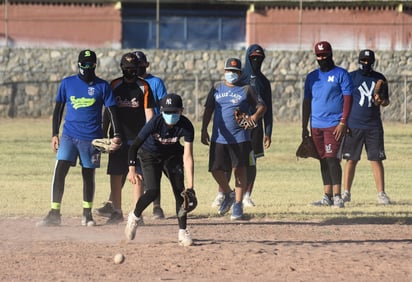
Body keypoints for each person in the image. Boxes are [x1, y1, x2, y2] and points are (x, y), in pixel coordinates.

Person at [37, 49, 121, 227]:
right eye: (83, 64)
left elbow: (113, 112)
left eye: (90, 64)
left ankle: (87, 214)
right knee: (60, 171)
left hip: (91, 139)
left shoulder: (102, 86)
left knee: (88, 174)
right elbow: (58, 110)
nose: (86, 67)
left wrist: (117, 135)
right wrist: (54, 134)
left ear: (95, 65)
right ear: (78, 64)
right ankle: (54, 213)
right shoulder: (67, 83)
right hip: (69, 136)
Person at [96, 50, 167, 220]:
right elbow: (108, 111)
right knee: (115, 173)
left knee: (138, 175)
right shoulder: (114, 85)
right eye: (127, 67)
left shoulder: (144, 86)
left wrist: (148, 136)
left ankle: (137, 213)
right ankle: (117, 211)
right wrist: (104, 133)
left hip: (138, 138)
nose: (130, 71)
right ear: (121, 67)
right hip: (117, 137)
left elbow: (149, 112)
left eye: (133, 67)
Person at [124, 93, 195, 246]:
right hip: (150, 154)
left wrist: (191, 186)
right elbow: (135, 146)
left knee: (180, 193)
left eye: (174, 112)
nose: (170, 115)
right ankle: (134, 217)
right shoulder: (155, 122)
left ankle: (183, 231)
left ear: (181, 111)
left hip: (172, 155)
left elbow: (188, 156)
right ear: (162, 111)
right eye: (167, 112)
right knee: (152, 191)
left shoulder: (186, 126)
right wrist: (131, 170)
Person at [201, 58, 266, 220]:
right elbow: (208, 109)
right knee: (215, 169)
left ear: (240, 73)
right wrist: (203, 129)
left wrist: (254, 117)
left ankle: (238, 205)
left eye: (235, 72)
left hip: (240, 137)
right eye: (229, 71)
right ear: (224, 72)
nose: (232, 74)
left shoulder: (246, 89)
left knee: (239, 170)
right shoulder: (216, 88)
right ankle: (228, 193)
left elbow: (262, 106)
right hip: (219, 137)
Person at [211, 44, 273, 208]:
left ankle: (246, 195)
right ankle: (222, 193)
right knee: (227, 163)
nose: (256, 60)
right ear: (247, 57)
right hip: (235, 129)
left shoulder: (264, 81)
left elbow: (268, 107)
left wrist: (268, 131)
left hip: (254, 129)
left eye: (259, 58)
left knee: (250, 163)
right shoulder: (239, 77)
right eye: (253, 57)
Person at [302, 41, 353, 208]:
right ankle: (327, 196)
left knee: (332, 159)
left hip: (334, 125)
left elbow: (348, 100)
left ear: (331, 54)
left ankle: (338, 197)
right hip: (316, 125)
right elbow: (306, 102)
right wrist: (304, 126)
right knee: (323, 160)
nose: (321, 58)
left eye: (324, 55)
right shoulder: (311, 77)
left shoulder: (341, 74)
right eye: (318, 55)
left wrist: (343, 122)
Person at [340, 49, 391, 204]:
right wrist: (343, 122)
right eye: (363, 60)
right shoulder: (351, 77)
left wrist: (380, 100)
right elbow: (344, 101)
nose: (366, 63)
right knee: (351, 160)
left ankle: (381, 194)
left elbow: (386, 102)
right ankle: (346, 193)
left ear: (373, 62)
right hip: (354, 124)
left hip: (373, 126)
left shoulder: (380, 78)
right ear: (359, 60)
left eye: (369, 61)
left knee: (376, 159)